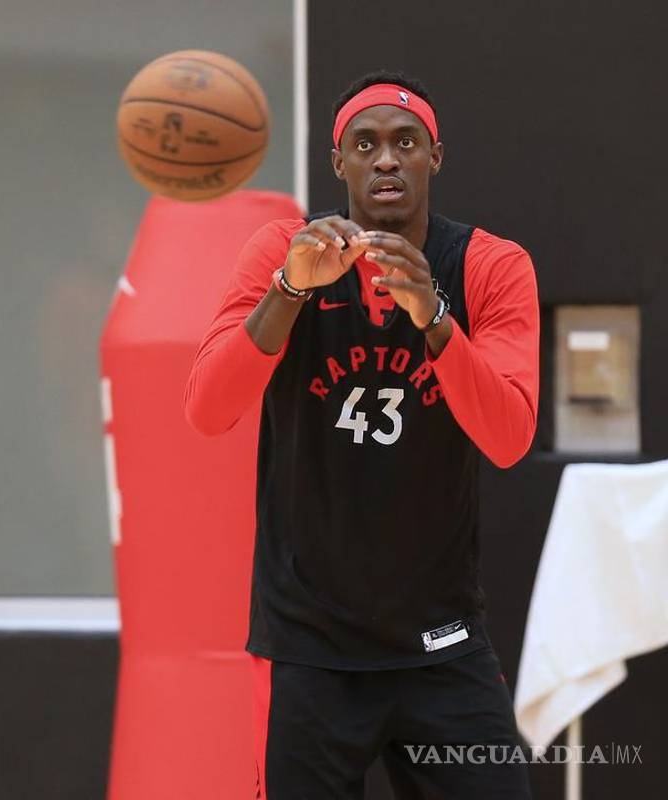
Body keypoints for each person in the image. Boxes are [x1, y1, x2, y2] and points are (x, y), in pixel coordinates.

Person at [185, 71, 539, 799]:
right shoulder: (281, 252)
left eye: (405, 142)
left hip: (440, 640)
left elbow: (508, 437)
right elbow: (208, 409)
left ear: (434, 157)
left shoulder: (489, 267)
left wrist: (435, 318)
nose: (386, 159)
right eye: (366, 144)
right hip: (309, 646)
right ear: (338, 162)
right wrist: (290, 291)